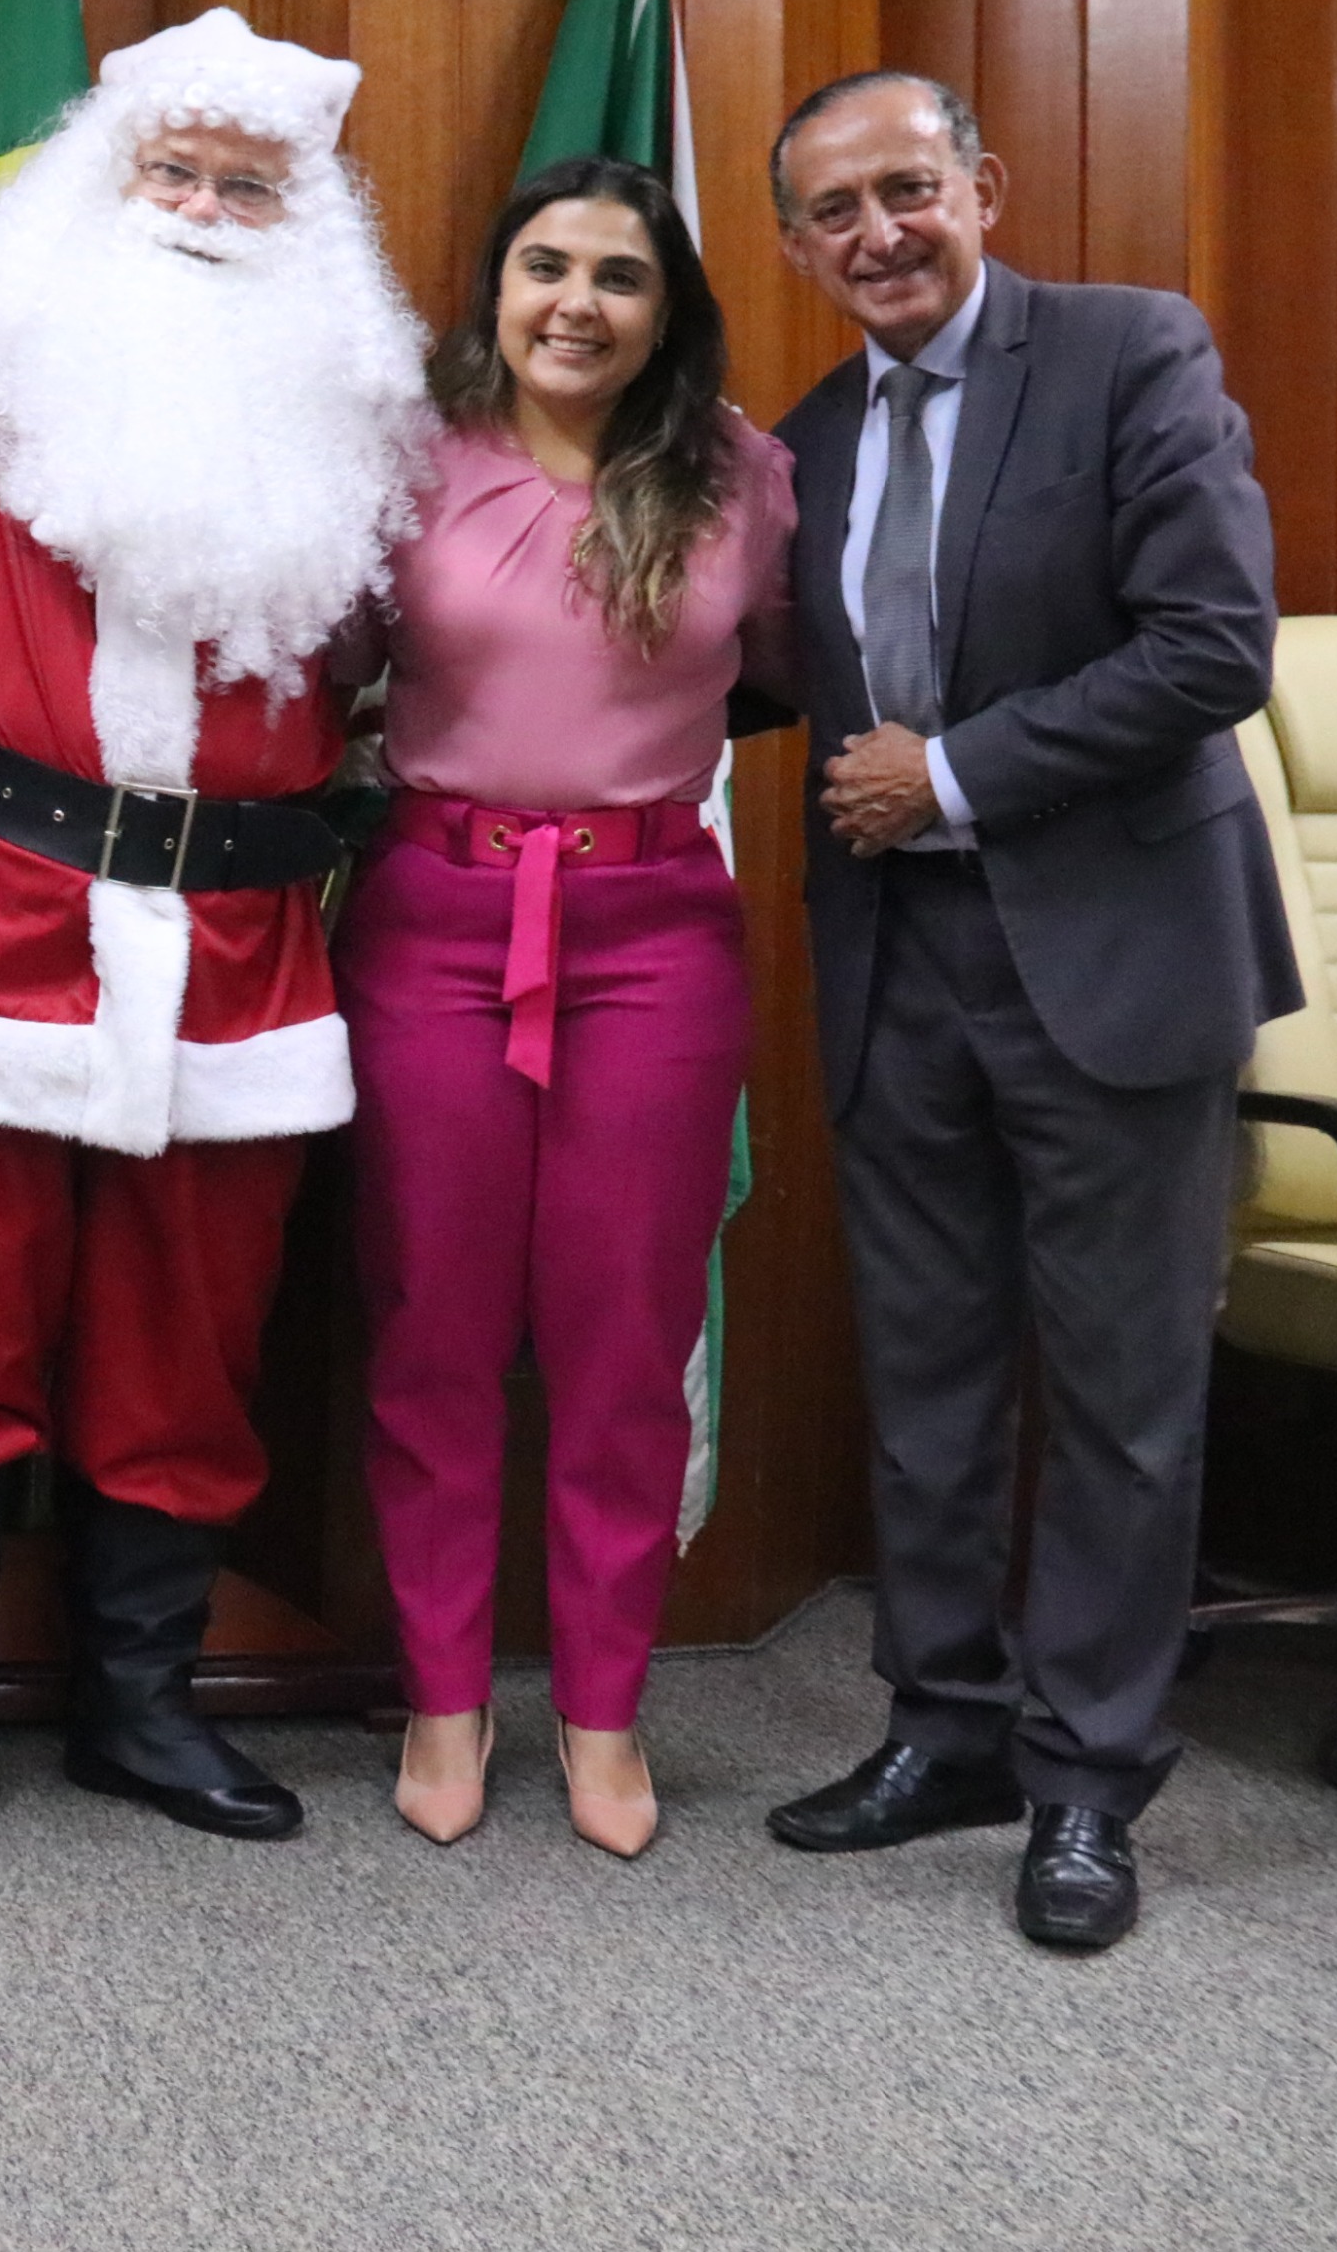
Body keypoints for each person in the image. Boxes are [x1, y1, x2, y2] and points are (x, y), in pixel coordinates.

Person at [0, 8, 433, 1870]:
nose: (205, 211)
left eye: (251, 187)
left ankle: (141, 1707)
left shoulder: (364, 407)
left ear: (310, 225)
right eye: (174, 170)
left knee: (190, 1337)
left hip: (240, 941)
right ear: (102, 171)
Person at [755, 71, 1298, 1950]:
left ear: (982, 184)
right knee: (927, 1385)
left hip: (1115, 952)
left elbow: (1214, 643)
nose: (878, 233)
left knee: (1124, 1401)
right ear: (794, 248)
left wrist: (954, 773)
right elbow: (737, 667)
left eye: (907, 187)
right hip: (897, 962)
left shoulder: (1130, 353)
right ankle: (949, 1727)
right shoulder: (807, 439)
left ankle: (1088, 1782)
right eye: (834, 211)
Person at [341, 157, 799, 1858]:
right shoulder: (405, 459)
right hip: (433, 918)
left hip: (653, 932)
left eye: (620, 275)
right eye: (546, 266)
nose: (577, 303)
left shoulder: (744, 476)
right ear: (496, 288)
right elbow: (324, 668)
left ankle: (605, 1709)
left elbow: (788, 667)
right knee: (434, 1325)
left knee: (624, 1332)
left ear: (668, 311)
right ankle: (444, 1698)